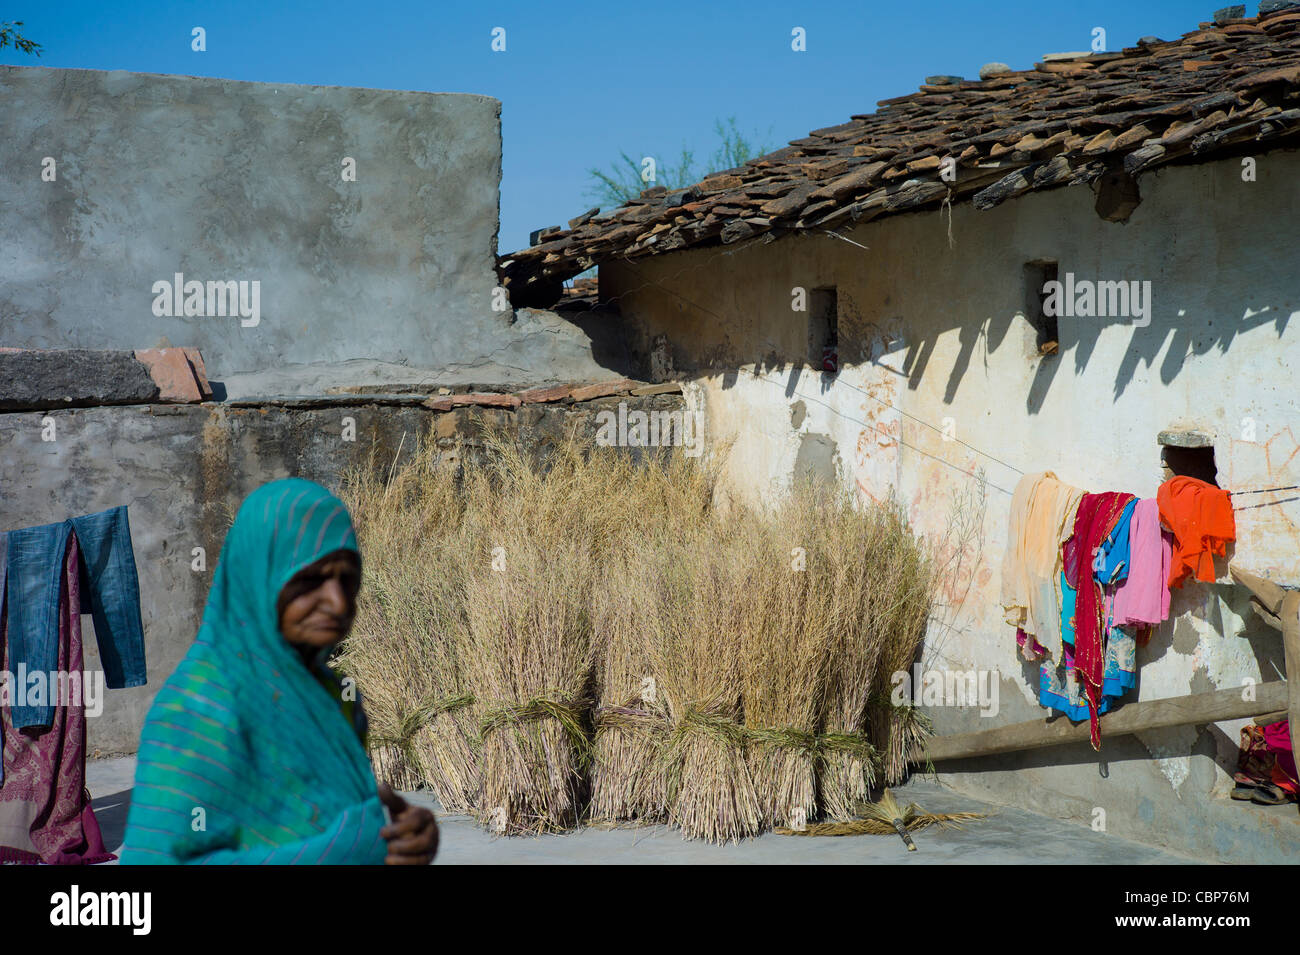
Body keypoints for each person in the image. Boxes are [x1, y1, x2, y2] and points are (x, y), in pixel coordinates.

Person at [120, 478, 437, 864]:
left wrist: (402, 838)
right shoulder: (197, 709)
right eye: (309, 580)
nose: (337, 603)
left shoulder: (335, 696)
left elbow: (332, 817)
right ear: (257, 578)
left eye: (347, 579)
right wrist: (335, 856)